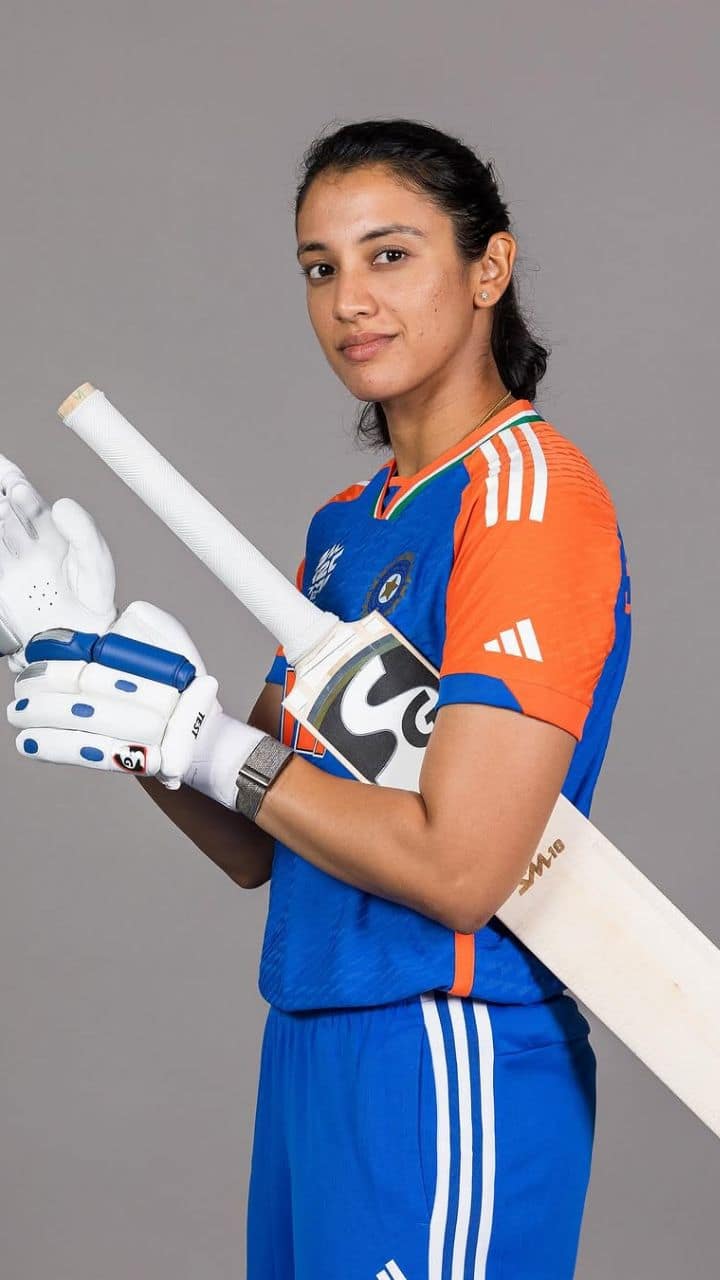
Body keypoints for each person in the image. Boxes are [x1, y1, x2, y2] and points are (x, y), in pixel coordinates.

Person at [4, 118, 632, 1279]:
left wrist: (202, 738)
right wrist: (116, 694)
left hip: (447, 1046)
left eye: (390, 254)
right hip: (311, 1039)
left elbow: (462, 867)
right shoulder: (349, 525)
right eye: (319, 266)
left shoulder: (528, 498)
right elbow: (258, 837)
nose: (350, 300)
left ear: (489, 267)